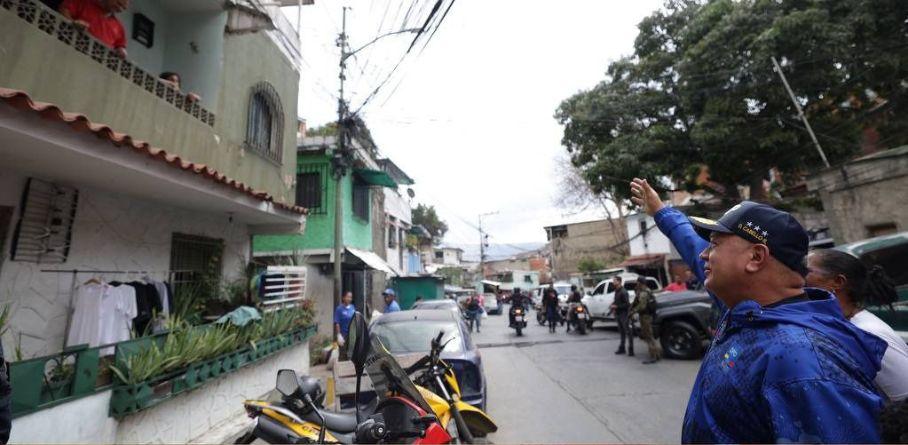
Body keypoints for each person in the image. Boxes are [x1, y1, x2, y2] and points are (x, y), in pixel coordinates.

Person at [630, 177, 886, 443]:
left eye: (715, 244)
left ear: (755, 258)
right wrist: (662, 212)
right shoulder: (748, 312)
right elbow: (693, 247)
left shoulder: (801, 360)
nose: (704, 254)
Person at [806, 249, 908, 402]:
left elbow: (904, 392)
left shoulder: (869, 332)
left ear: (838, 282)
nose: (797, 276)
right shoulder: (840, 325)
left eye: (806, 271)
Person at [59, 0, 128, 58]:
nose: (120, 9)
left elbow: (120, 46)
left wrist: (122, 51)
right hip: (69, 49)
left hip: (96, 61)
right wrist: (72, 23)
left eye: (123, 8)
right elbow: (64, 10)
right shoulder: (84, 2)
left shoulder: (119, 27)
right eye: (119, 3)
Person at [630, 280, 661, 364]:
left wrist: (633, 311)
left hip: (645, 316)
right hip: (648, 316)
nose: (636, 284)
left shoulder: (644, 293)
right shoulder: (647, 290)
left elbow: (642, 306)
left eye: (637, 283)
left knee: (648, 336)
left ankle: (653, 356)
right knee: (649, 336)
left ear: (640, 283)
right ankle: (657, 354)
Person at [610, 276, 633, 356]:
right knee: (622, 332)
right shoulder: (617, 291)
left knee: (628, 332)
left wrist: (617, 306)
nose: (613, 282)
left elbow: (627, 304)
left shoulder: (623, 292)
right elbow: (617, 301)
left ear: (619, 281)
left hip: (624, 314)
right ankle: (622, 348)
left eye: (615, 281)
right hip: (618, 314)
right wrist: (613, 306)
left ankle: (631, 349)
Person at [333, 291, 355, 359]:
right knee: (343, 355)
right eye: (348, 297)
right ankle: (343, 368)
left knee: (352, 355)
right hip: (343, 336)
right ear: (343, 298)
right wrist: (339, 335)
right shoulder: (339, 309)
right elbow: (337, 323)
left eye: (350, 297)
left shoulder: (352, 307)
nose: (349, 299)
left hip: (352, 335)